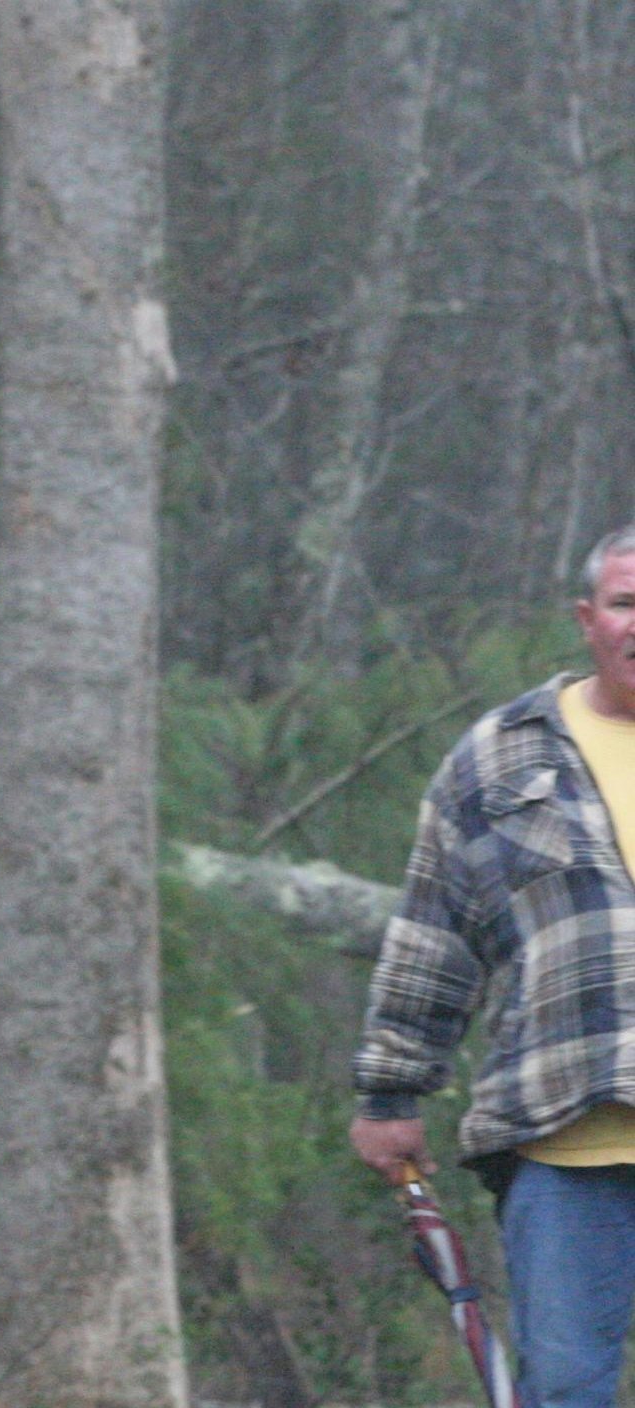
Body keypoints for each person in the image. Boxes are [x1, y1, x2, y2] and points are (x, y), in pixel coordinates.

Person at [351, 524, 635, 1408]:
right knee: (567, 1388)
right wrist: (390, 1093)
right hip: (568, 1138)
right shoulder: (503, 755)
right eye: (625, 603)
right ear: (586, 618)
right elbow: (433, 933)